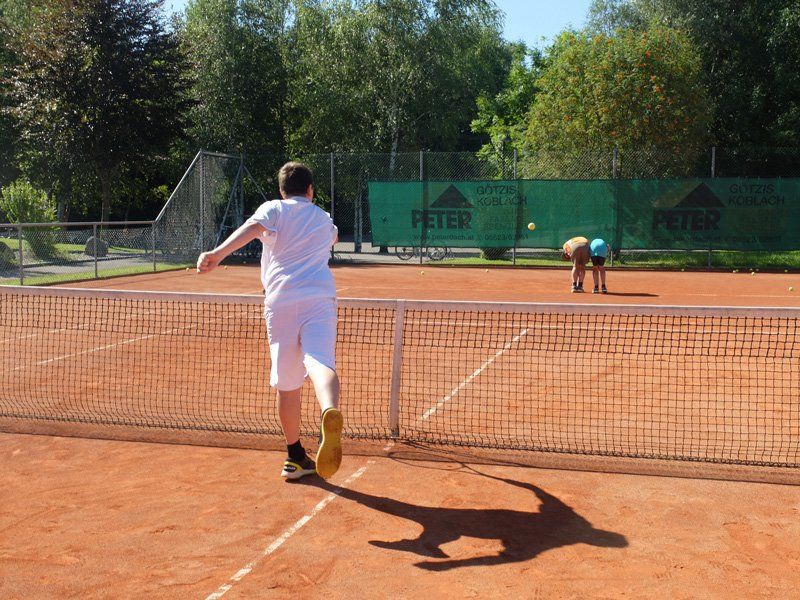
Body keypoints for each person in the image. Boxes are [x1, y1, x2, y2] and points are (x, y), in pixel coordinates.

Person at [196, 162, 342, 481]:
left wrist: (217, 254)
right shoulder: (323, 218)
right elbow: (333, 237)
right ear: (310, 190)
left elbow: (252, 228)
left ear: (281, 190)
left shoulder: (274, 208)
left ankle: (294, 457)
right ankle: (328, 410)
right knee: (320, 361)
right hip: (319, 299)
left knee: (287, 384)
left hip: (280, 301)